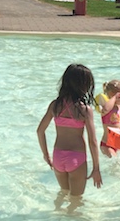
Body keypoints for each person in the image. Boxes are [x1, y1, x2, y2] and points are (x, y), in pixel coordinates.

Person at [36, 64, 102, 204]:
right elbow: (93, 141)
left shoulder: (55, 105)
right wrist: (96, 168)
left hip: (58, 156)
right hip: (76, 158)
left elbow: (40, 130)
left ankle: (57, 213)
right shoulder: (84, 110)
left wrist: (46, 154)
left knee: (63, 193)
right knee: (76, 201)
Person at [96, 79, 120, 158]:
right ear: (112, 94)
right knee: (114, 161)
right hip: (107, 145)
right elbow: (105, 110)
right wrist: (114, 97)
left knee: (119, 166)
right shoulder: (106, 106)